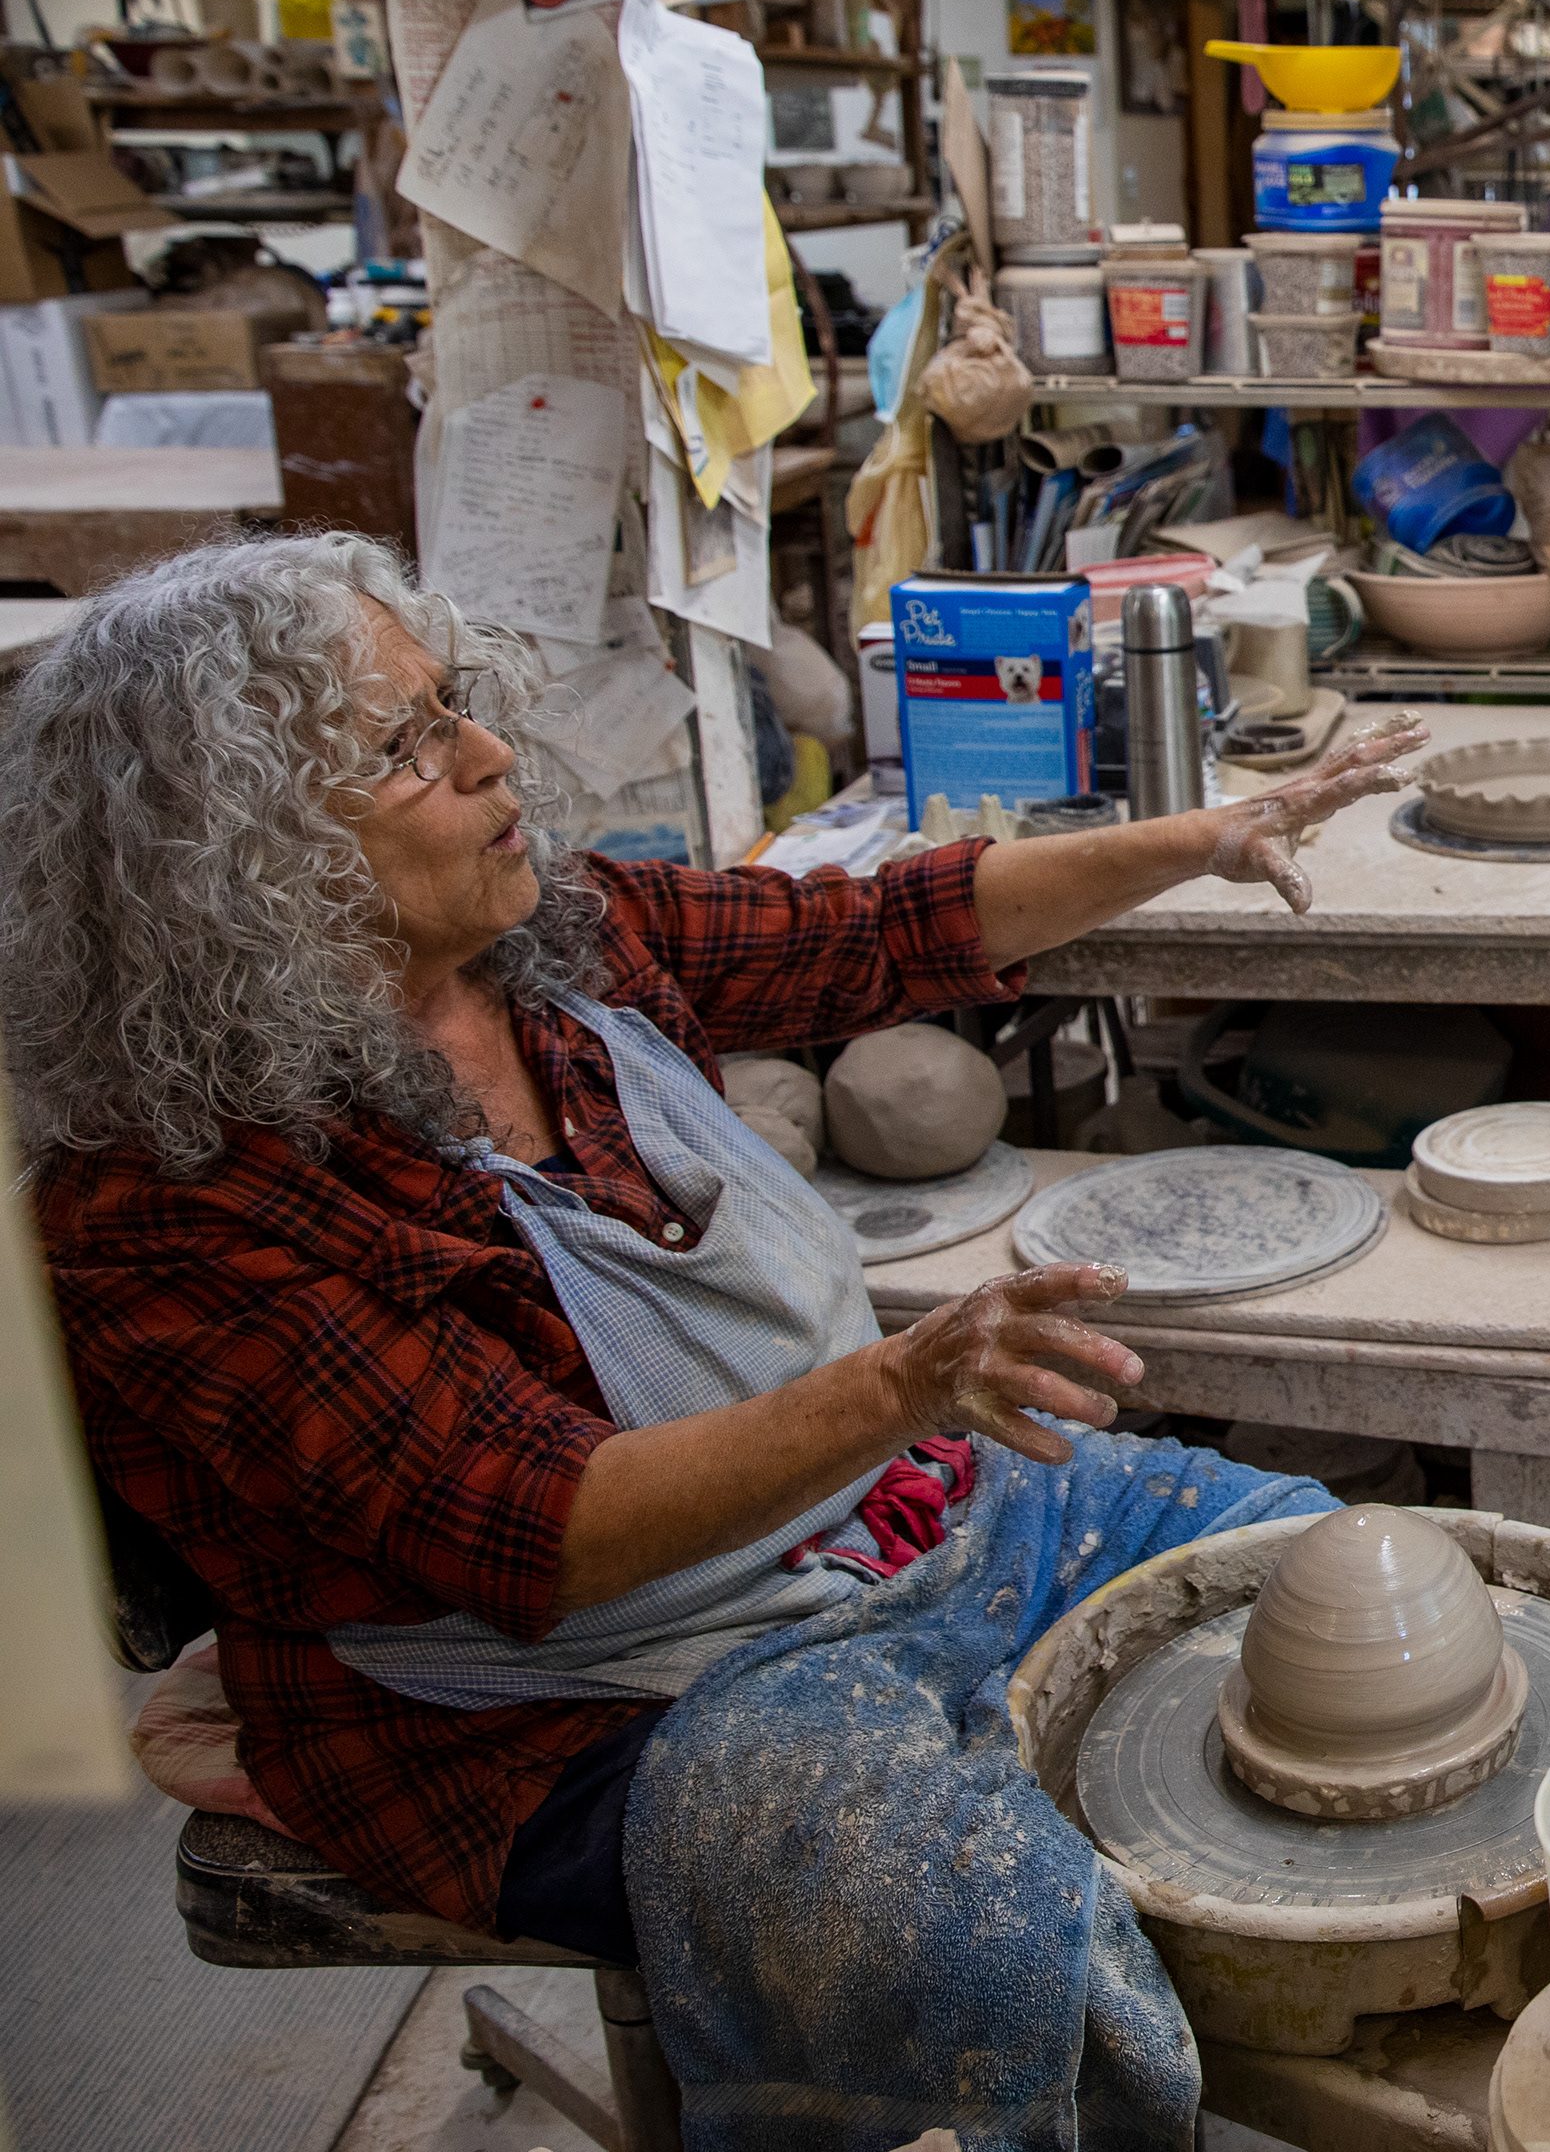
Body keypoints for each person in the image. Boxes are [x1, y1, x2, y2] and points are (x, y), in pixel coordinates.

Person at [6, 534, 1429, 2136]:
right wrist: (904, 1380)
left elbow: (877, 930)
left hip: (880, 1522)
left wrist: (1202, 837)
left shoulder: (549, 952)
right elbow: (540, 1535)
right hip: (576, 1703)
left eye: (453, 706)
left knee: (1303, 1561)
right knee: (966, 1938)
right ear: (238, 853)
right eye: (405, 747)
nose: (486, 756)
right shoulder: (169, 1202)